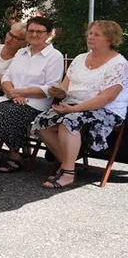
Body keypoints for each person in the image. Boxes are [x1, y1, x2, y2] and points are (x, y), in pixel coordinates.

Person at [33, 21, 128, 189]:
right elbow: (65, 87)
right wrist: (58, 93)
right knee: (41, 122)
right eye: (90, 33)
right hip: (73, 104)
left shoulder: (119, 64)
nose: (90, 37)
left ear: (110, 39)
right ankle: (67, 163)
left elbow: (107, 97)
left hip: (105, 109)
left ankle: (68, 173)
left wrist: (74, 109)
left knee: (68, 122)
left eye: (96, 34)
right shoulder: (79, 59)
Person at [0, 16, 63, 173]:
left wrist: (19, 92)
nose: (34, 34)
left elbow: (51, 88)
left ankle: (16, 156)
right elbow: (6, 77)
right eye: (31, 31)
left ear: (48, 34)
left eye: (39, 32)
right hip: (11, 97)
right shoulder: (22, 52)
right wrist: (12, 93)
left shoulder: (55, 56)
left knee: (9, 115)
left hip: (36, 103)